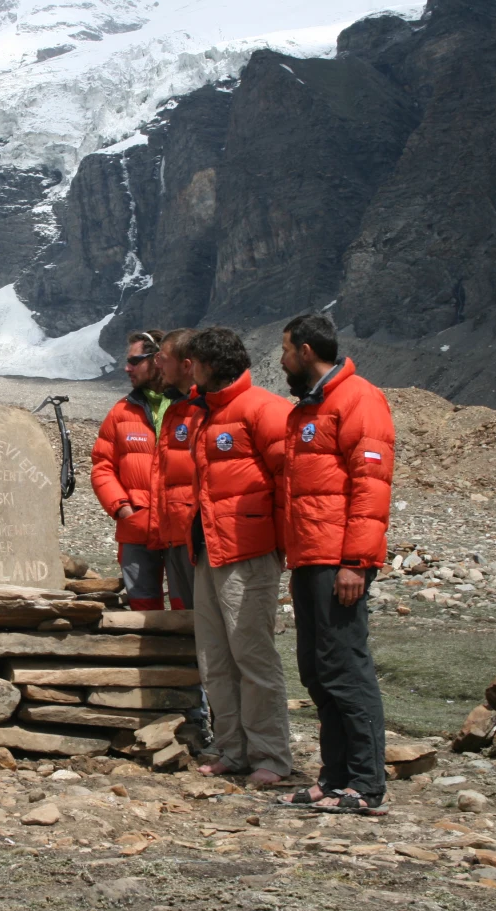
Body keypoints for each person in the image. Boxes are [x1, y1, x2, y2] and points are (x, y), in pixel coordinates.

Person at [276, 314, 395, 812]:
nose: (279, 360)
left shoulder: (358, 398)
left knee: (346, 667)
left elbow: (370, 487)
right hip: (309, 556)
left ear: (305, 351)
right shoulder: (309, 407)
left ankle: (366, 785)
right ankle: (335, 775)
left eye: (284, 350)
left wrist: (355, 561)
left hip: (337, 559)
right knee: (318, 670)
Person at [186, 327, 293, 786]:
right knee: (214, 655)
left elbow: (291, 480)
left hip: (249, 551)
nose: (187, 370)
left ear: (209, 364)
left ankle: (270, 755)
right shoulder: (206, 412)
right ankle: (232, 747)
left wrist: (284, 546)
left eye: (192, 362)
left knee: (252, 653)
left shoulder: (264, 410)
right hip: (210, 547)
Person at [92, 330, 174, 611]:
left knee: (190, 612)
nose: (127, 368)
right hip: (136, 529)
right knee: (143, 611)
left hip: (183, 531)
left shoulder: (192, 405)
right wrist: (121, 508)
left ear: (158, 359)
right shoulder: (121, 412)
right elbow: (102, 466)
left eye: (134, 361)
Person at [147, 328, 199, 612]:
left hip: (194, 536)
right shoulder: (175, 408)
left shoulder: (204, 409)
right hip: (174, 533)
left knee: (205, 621)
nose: (157, 365)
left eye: (162, 358)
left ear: (186, 365)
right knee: (188, 622)